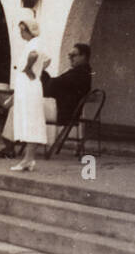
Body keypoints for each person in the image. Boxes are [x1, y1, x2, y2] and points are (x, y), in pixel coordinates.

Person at [10, 18, 51, 172]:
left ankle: (28, 159)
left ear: (30, 31)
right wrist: (38, 70)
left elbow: (34, 55)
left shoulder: (35, 43)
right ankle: (28, 159)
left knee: (31, 120)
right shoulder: (34, 43)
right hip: (27, 85)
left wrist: (29, 69)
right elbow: (47, 59)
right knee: (27, 120)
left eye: (23, 30)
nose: (21, 33)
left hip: (29, 85)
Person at [42, 42, 93, 125]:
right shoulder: (82, 72)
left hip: (66, 115)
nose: (70, 58)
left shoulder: (79, 74)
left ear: (83, 56)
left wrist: (42, 71)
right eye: (69, 55)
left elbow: (52, 85)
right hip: (67, 113)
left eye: (73, 55)